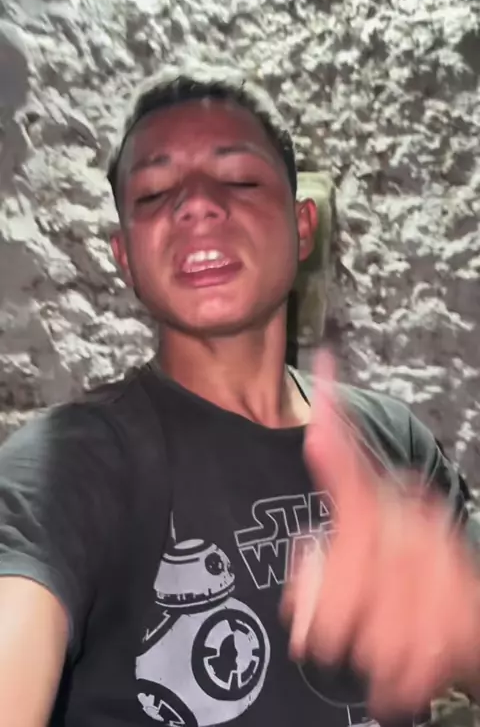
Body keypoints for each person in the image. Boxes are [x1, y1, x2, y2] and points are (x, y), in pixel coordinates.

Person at [0, 63, 479, 727]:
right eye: (154, 193)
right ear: (125, 256)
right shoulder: (61, 467)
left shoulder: (393, 438)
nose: (196, 204)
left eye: (240, 180)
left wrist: (462, 618)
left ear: (303, 225)